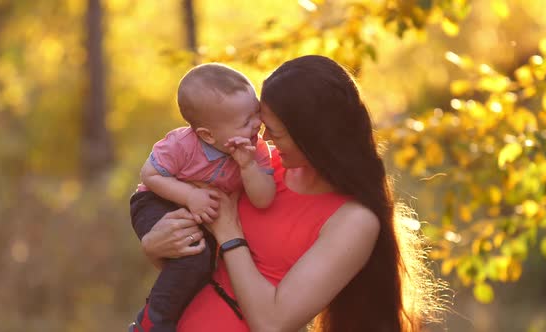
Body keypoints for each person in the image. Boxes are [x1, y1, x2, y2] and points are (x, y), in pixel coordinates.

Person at [136, 55, 442, 332]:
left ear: (313, 138)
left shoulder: (354, 220)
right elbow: (200, 264)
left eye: (275, 132)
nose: (264, 138)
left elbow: (272, 323)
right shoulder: (260, 166)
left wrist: (230, 232)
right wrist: (154, 246)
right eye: (261, 125)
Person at [129, 63, 276, 332]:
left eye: (256, 112)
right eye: (246, 122)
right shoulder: (181, 145)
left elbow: (263, 199)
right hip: (157, 201)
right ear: (208, 135)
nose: (257, 124)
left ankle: (181, 314)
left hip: (204, 214)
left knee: (205, 262)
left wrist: (248, 167)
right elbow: (150, 175)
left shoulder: (255, 149)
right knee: (193, 256)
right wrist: (190, 195)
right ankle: (152, 321)